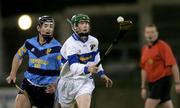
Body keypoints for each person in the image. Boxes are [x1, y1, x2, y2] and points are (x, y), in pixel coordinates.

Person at [56, 13, 113, 108]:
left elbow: (96, 59)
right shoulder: (70, 44)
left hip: (84, 80)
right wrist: (87, 68)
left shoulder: (94, 41)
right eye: (82, 23)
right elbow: (73, 67)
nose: (85, 25)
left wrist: (101, 74)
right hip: (67, 82)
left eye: (87, 23)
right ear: (75, 27)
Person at [6, 15, 62, 108]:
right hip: (29, 85)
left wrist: (56, 86)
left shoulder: (58, 48)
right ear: (38, 28)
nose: (49, 29)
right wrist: (12, 74)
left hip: (47, 90)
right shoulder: (29, 43)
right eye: (46, 26)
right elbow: (18, 56)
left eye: (51, 26)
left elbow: (64, 70)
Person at [140, 24, 180, 108]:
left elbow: (173, 65)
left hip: (162, 81)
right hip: (152, 83)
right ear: (145, 34)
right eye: (148, 32)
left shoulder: (163, 46)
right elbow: (143, 69)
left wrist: (177, 83)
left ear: (157, 33)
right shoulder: (144, 49)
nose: (150, 34)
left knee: (148, 105)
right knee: (167, 105)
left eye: (152, 32)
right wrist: (143, 87)